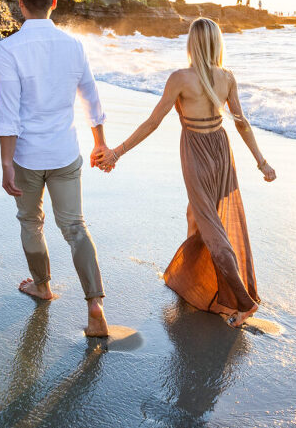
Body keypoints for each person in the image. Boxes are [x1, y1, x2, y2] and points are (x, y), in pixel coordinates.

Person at [97, 18, 276, 328]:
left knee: (211, 226)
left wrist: (117, 151)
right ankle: (195, 280)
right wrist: (261, 161)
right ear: (218, 43)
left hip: (196, 152)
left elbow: (153, 123)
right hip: (222, 150)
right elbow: (241, 123)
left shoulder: (180, 78)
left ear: (191, 43)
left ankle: (243, 303)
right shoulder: (227, 78)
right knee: (197, 214)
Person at [0, 0, 112, 337]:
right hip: (64, 153)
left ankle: (42, 286)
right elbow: (91, 98)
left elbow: (8, 115)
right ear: (54, 2)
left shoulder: (8, 49)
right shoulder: (74, 46)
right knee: (75, 228)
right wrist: (100, 143)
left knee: (31, 223)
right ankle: (95, 305)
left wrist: (5, 165)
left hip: (26, 157)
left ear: (20, 4)